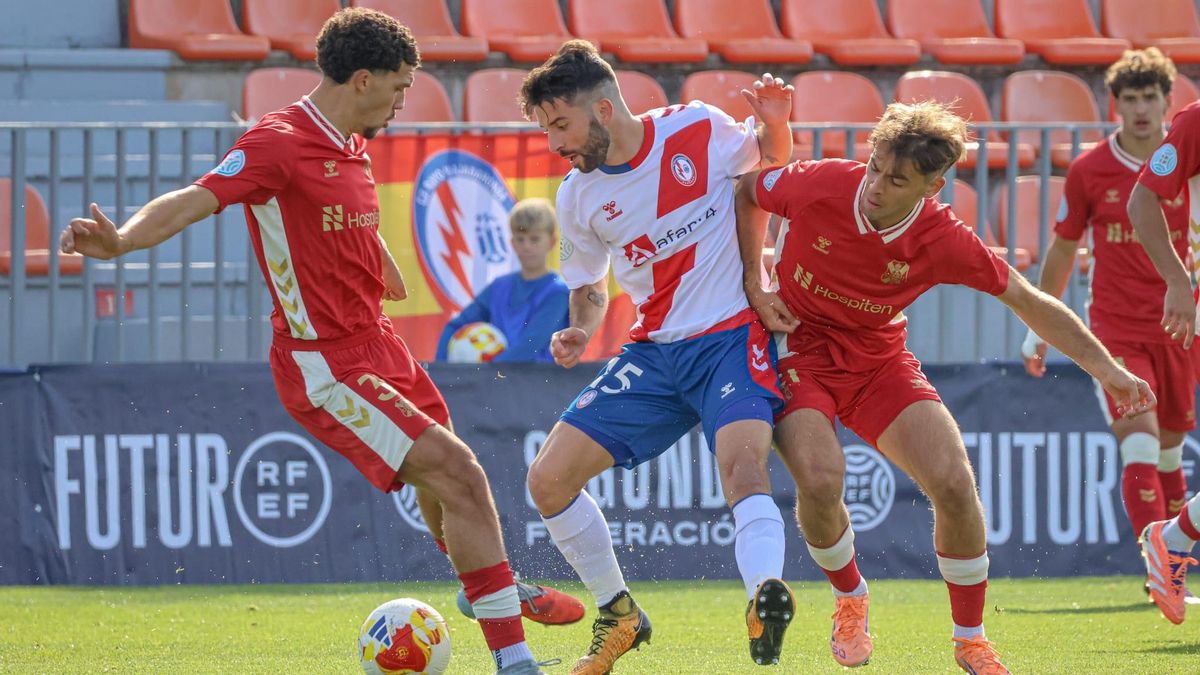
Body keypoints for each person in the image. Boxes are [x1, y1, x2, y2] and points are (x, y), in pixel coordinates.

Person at [57, 9, 576, 673]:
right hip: (325, 364)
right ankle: (514, 653)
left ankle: (484, 585)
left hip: (379, 342)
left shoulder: (352, 142)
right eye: (398, 87)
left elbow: (345, 216)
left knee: (448, 478)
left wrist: (379, 260)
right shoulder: (277, 144)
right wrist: (124, 240)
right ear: (362, 80)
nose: (402, 101)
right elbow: (195, 197)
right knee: (461, 473)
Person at [735, 101, 1154, 674]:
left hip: (879, 361)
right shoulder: (822, 182)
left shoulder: (942, 237)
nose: (876, 185)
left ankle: (971, 640)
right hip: (798, 350)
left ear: (932, 187)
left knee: (955, 484)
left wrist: (1108, 370)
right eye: (876, 167)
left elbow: (1029, 300)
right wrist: (755, 285)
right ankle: (850, 597)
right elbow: (747, 192)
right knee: (821, 477)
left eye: (896, 180)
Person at [519, 40, 795, 674]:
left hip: (730, 337)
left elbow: (768, 168)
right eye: (545, 130)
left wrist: (777, 124)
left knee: (743, 468)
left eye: (560, 125)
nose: (554, 143)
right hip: (655, 355)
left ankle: (763, 598)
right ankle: (619, 614)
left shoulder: (698, 127)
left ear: (604, 109)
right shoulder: (577, 195)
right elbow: (590, 286)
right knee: (547, 479)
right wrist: (580, 329)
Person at [1022, 48, 1193, 580]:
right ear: (1115, 104)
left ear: (1167, 101)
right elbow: (1062, 249)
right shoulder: (1089, 170)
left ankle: (1173, 565)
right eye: (1131, 98)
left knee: (1170, 453)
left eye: (1150, 97)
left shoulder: (1184, 159)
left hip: (1177, 327)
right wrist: (1038, 325)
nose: (1141, 109)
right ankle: (1158, 570)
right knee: (1140, 436)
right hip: (1115, 328)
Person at [1127, 76, 1200, 626]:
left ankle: (1173, 538)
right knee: (1150, 442)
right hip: (1140, 324)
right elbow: (1142, 200)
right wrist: (1177, 280)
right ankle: (1172, 539)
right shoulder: (1196, 121)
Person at [436, 198, 569, 363]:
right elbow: (455, 327)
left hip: (540, 378)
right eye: (520, 239)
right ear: (512, 243)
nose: (527, 246)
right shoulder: (499, 287)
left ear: (552, 242)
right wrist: (441, 369)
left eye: (534, 239)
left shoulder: (558, 292)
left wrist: (486, 373)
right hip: (497, 376)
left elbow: (528, 347)